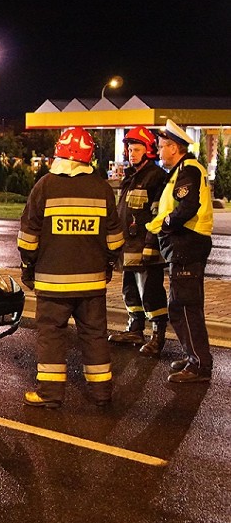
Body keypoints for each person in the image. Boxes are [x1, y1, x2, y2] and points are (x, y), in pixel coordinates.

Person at [17, 127, 124, 408]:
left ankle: (50, 394)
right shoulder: (101, 187)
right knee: (94, 335)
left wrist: (28, 267)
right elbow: (115, 239)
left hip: (53, 283)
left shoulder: (45, 186)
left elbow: (28, 237)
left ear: (59, 151)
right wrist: (108, 264)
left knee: (51, 335)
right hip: (91, 283)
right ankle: (101, 392)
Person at [146, 119, 214, 383]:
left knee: (184, 307)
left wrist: (164, 224)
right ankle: (193, 357)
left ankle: (199, 364)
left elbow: (187, 207)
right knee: (182, 305)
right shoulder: (184, 170)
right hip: (187, 245)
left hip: (187, 244)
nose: (159, 152)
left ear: (174, 147)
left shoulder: (187, 170)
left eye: (162, 147)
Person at [107, 127, 169, 356]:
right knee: (129, 290)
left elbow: (156, 216)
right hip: (129, 248)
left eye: (137, 149)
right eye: (130, 149)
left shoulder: (156, 177)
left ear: (149, 150)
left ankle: (157, 335)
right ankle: (135, 329)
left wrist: (152, 246)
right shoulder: (132, 176)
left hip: (146, 249)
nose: (131, 153)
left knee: (150, 292)